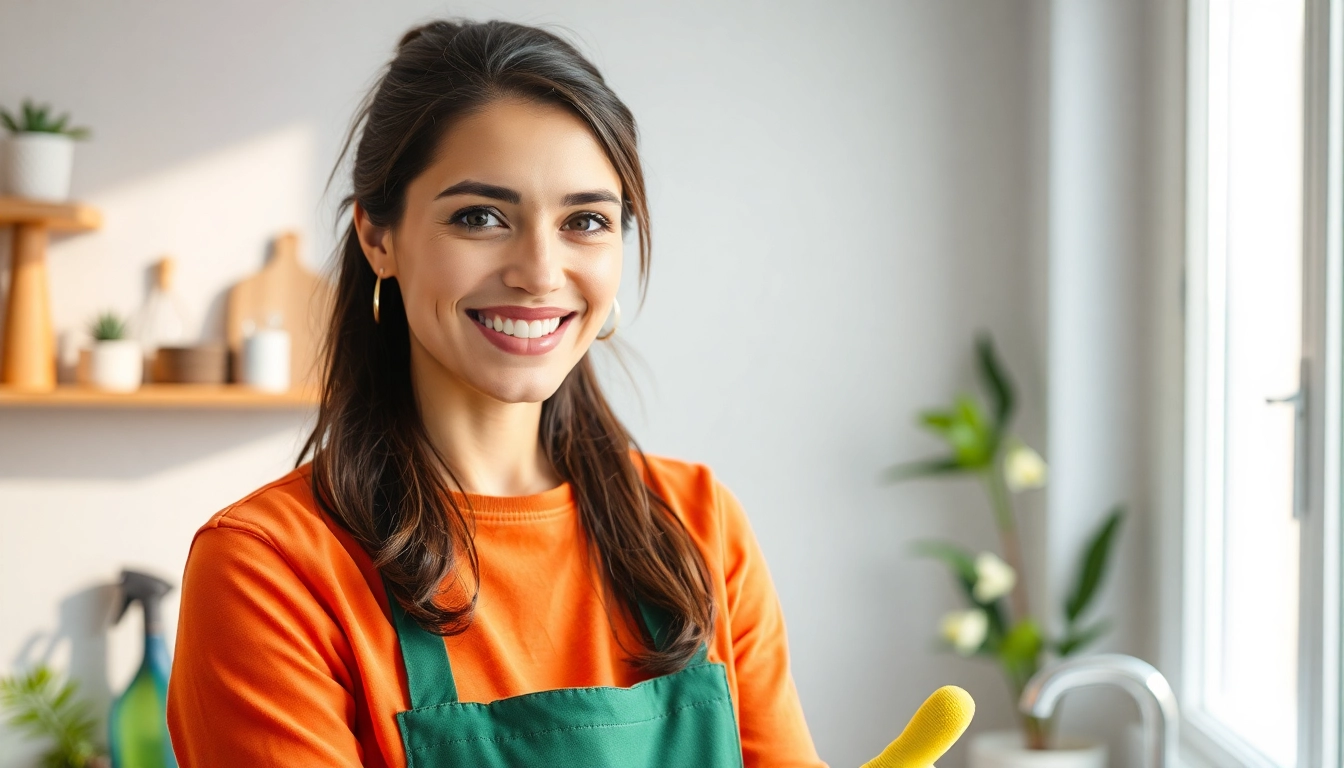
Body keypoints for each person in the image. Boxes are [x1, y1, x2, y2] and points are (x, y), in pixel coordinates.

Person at [166, 18, 826, 768]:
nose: (541, 272)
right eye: (480, 217)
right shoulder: (271, 570)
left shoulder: (699, 528)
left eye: (585, 221)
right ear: (378, 238)